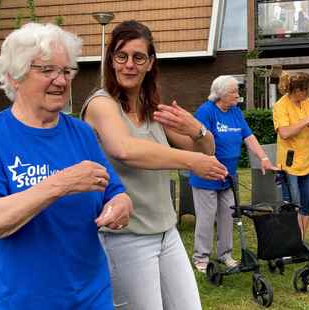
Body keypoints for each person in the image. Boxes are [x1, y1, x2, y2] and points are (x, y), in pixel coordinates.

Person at [0, 23, 132, 310]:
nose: (61, 81)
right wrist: (60, 184)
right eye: (47, 70)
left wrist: (120, 204)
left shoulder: (82, 133)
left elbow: (114, 191)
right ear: (15, 76)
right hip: (22, 301)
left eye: (66, 71)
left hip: (91, 296)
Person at [81, 20, 227, 310]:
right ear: (111, 61)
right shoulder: (101, 104)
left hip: (166, 233)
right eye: (121, 56)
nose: (129, 64)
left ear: (150, 63)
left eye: (138, 57)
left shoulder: (152, 109)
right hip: (125, 237)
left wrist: (197, 129)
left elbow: (207, 151)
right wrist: (191, 160)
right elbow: (125, 149)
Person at [189, 75, 278, 272]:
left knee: (229, 215)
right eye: (234, 92)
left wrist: (263, 158)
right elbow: (199, 142)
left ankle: (225, 254)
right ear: (220, 94)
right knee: (206, 217)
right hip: (207, 174)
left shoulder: (236, 112)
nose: (238, 96)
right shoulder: (206, 112)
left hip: (229, 175)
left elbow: (249, 136)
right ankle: (201, 257)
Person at [272, 71, 309, 240]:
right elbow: (285, 133)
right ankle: (291, 239)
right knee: (293, 204)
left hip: (308, 161)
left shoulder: (307, 102)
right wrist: (304, 122)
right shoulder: (280, 106)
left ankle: (300, 239)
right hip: (289, 164)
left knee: (307, 202)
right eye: (306, 91)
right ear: (297, 90)